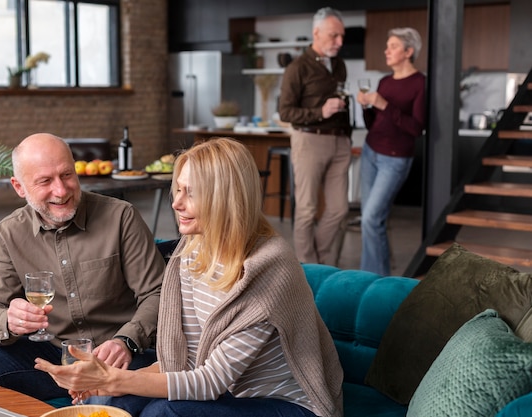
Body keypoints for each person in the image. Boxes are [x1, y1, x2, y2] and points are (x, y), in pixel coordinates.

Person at [35, 138, 344, 417]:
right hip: (228, 393)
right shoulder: (192, 251)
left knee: (164, 413)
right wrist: (103, 386)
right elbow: (185, 360)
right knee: (111, 405)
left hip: (286, 404)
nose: (176, 203)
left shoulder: (267, 268)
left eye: (191, 194)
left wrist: (116, 379)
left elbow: (210, 381)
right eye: (178, 189)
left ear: (226, 199)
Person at [0, 133, 164, 401]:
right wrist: (9, 321)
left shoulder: (121, 217)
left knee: (104, 398)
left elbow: (158, 293)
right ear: (19, 187)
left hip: (117, 357)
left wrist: (127, 341)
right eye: (45, 181)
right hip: (50, 359)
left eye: (67, 175)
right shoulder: (9, 233)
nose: (61, 191)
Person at [278, 7, 352, 265]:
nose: (339, 42)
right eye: (334, 36)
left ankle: (319, 261)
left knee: (340, 209)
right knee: (307, 210)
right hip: (309, 141)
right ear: (316, 33)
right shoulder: (297, 67)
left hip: (340, 142)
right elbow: (285, 111)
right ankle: (307, 271)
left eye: (341, 36)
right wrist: (320, 111)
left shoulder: (340, 65)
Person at [356, 28, 427, 275]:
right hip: (370, 152)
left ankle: (371, 277)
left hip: (394, 160)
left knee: (370, 219)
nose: (387, 50)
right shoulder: (384, 81)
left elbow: (416, 128)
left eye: (393, 46)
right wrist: (366, 106)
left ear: (409, 52)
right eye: (387, 45)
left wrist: (383, 104)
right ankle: (378, 275)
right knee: (371, 220)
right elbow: (373, 123)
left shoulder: (420, 83)